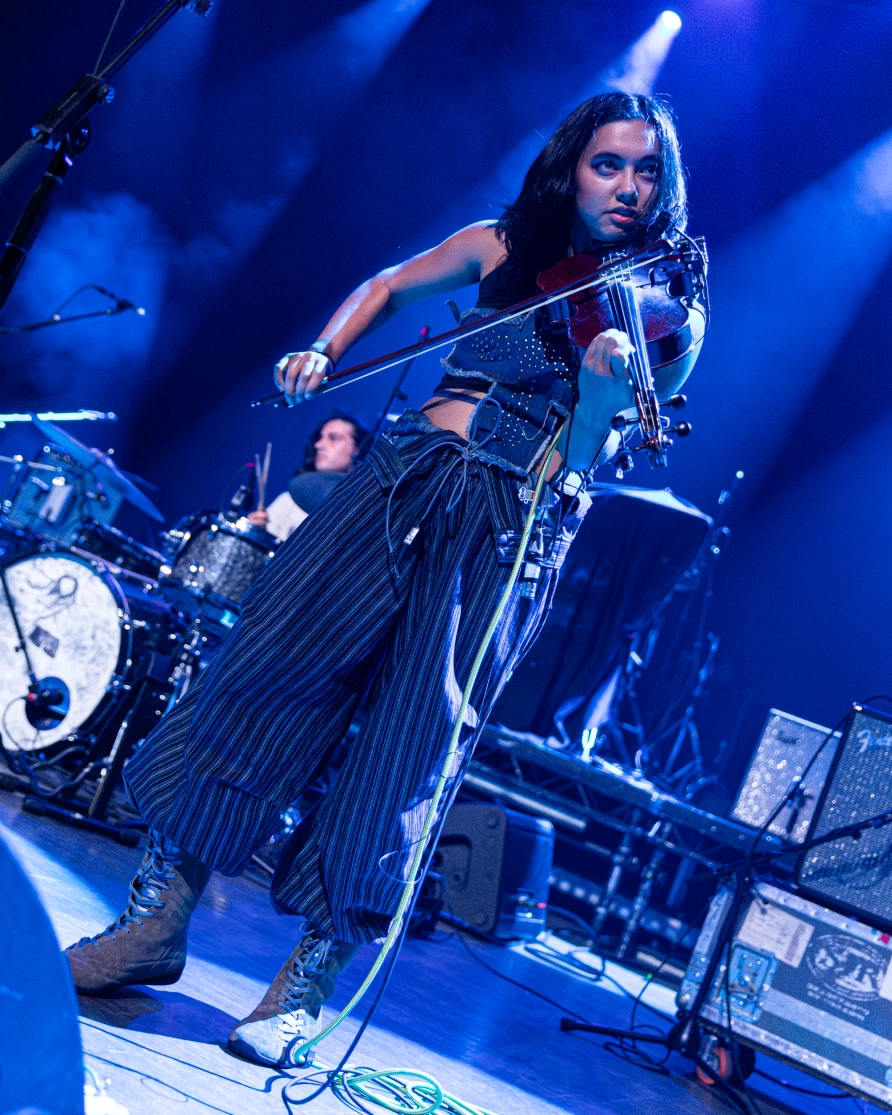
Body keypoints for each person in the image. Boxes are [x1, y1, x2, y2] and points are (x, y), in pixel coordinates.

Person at [65, 92, 704, 1068]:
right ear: (570, 169)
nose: (626, 186)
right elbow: (391, 285)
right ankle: (154, 921)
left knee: (408, 747)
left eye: (646, 170)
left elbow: (583, 456)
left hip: (508, 523)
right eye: (607, 164)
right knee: (256, 670)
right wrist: (325, 348)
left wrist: (605, 396)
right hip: (399, 479)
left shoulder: (667, 310)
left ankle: (309, 974)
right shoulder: (501, 248)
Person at [246, 412, 368, 542]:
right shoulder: (288, 501)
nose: (318, 445)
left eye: (334, 438)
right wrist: (256, 534)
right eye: (320, 438)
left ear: (358, 450)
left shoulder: (364, 512)